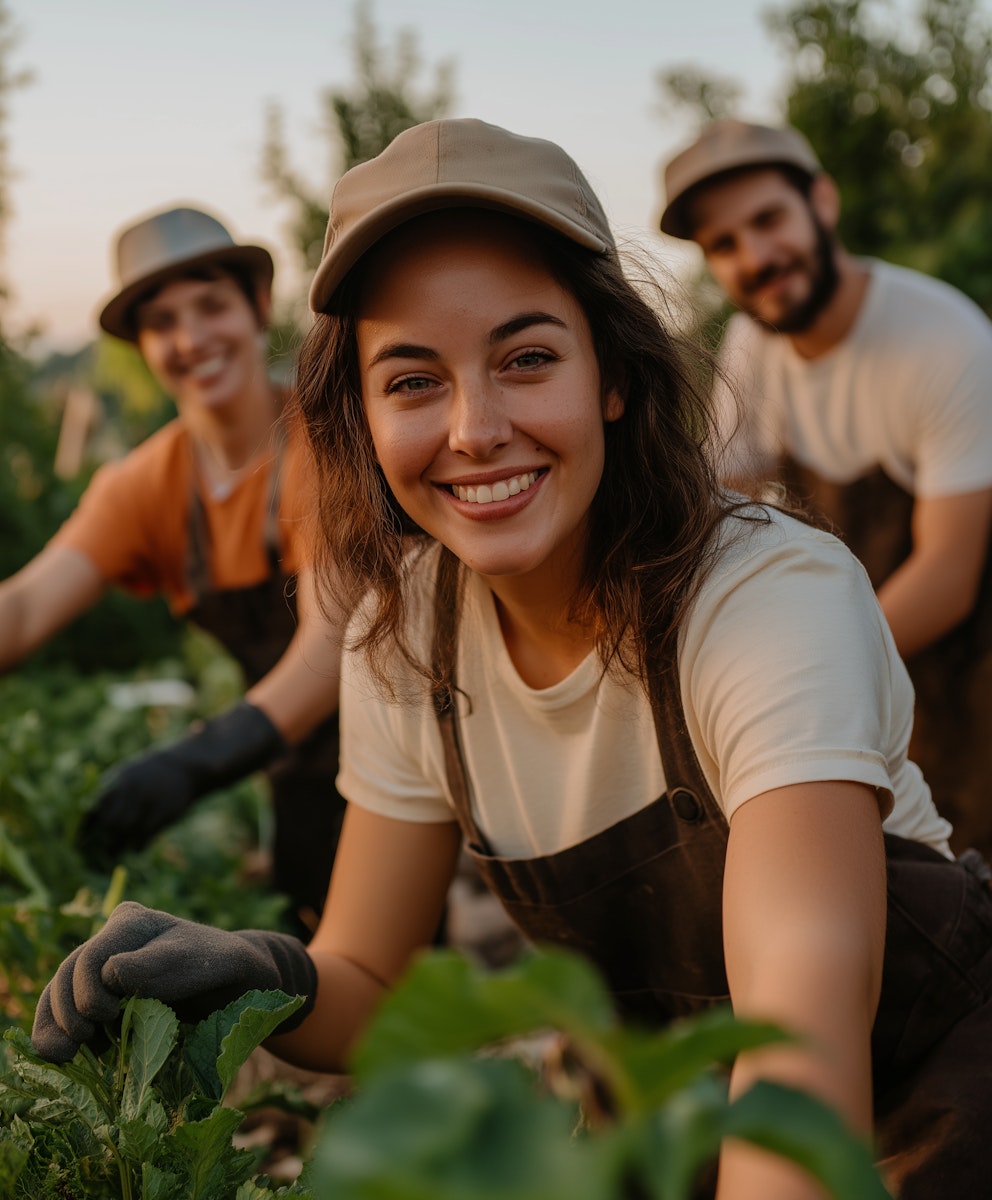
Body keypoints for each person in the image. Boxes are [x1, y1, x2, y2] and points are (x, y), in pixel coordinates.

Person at [30, 119, 992, 1199]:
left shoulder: (764, 599)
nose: (475, 429)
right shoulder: (406, 637)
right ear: (360, 415)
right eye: (412, 381)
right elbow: (373, 981)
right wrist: (267, 974)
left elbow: (793, 1045)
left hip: (921, 1104)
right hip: (667, 1114)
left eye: (526, 358)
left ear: (612, 378)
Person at [0, 205, 345, 927]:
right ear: (143, 347)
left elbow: (333, 641)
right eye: (161, 323)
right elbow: (27, 608)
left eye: (211, 305)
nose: (191, 339)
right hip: (293, 758)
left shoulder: (321, 445)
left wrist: (194, 761)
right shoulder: (147, 485)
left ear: (255, 306)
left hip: (411, 737)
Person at [658, 118, 992, 860]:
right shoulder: (752, 348)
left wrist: (804, 666)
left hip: (969, 684)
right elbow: (722, 513)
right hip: (868, 679)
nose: (756, 258)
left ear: (825, 204)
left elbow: (948, 576)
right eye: (724, 245)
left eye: (769, 220)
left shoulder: (945, 339)